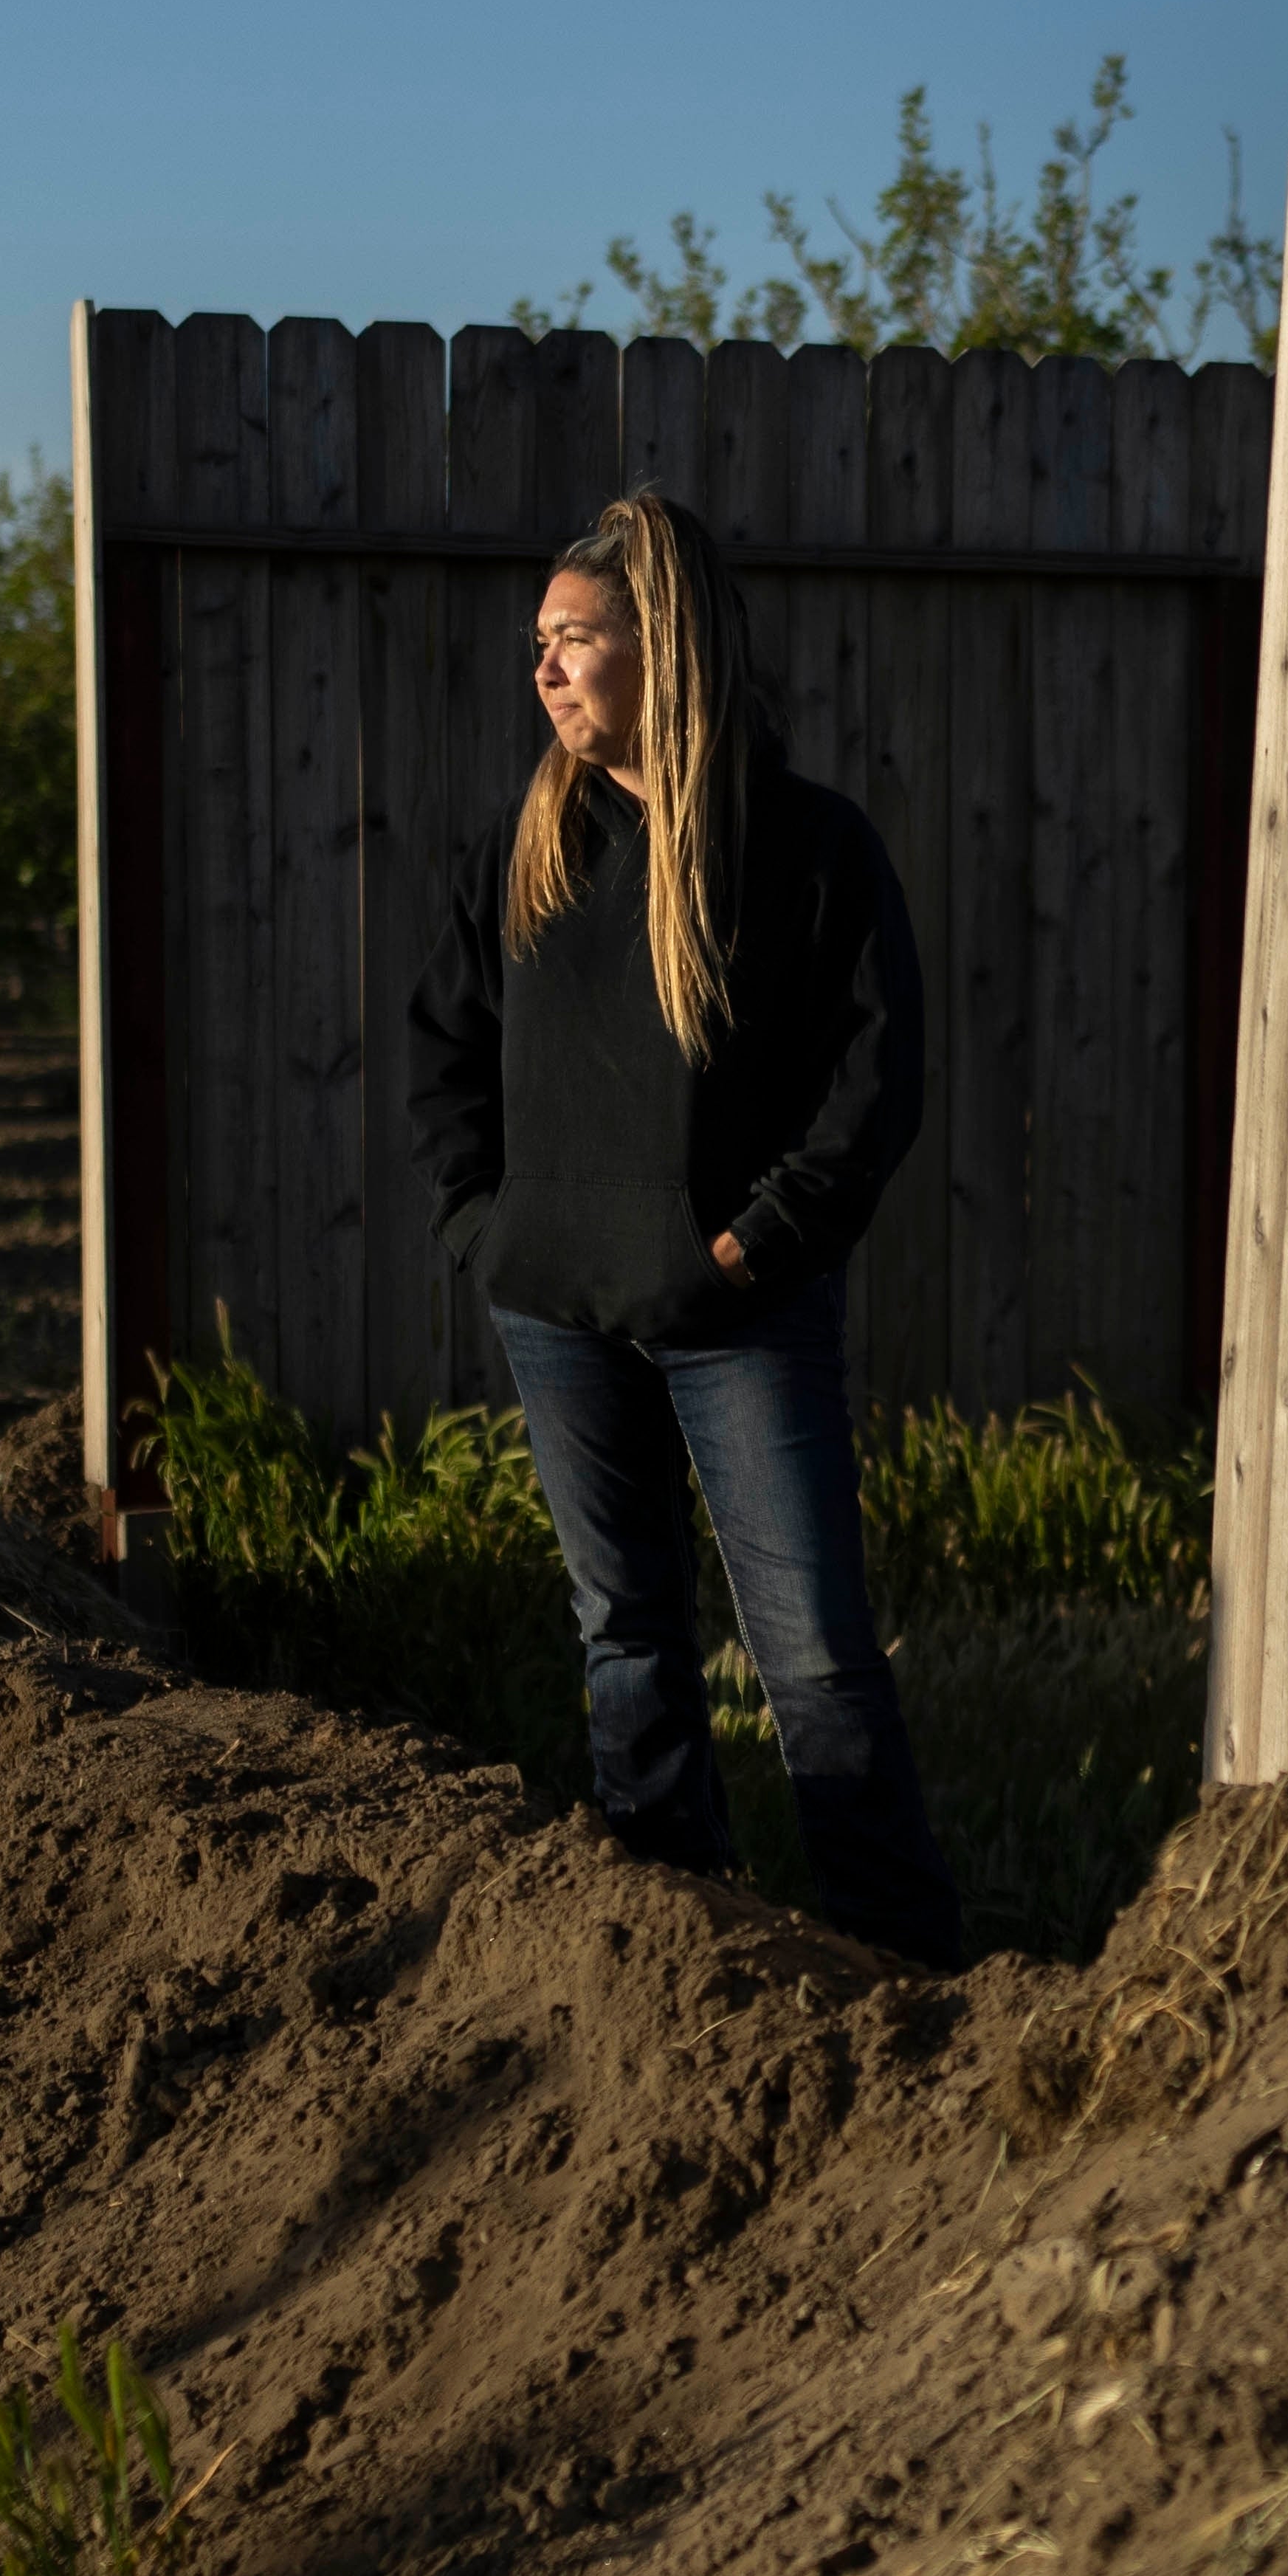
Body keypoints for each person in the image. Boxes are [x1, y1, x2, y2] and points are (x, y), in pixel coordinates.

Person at [402, 489, 963, 1964]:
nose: (546, 668)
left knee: (819, 1661)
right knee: (627, 1639)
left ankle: (897, 1971)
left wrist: (746, 1248)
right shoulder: (524, 853)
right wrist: (488, 1231)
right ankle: (678, 1948)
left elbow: (875, 1088)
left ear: (668, 645)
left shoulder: (808, 851)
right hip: (556, 1312)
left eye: (575, 637)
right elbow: (441, 1054)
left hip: (742, 1316)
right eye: (540, 642)